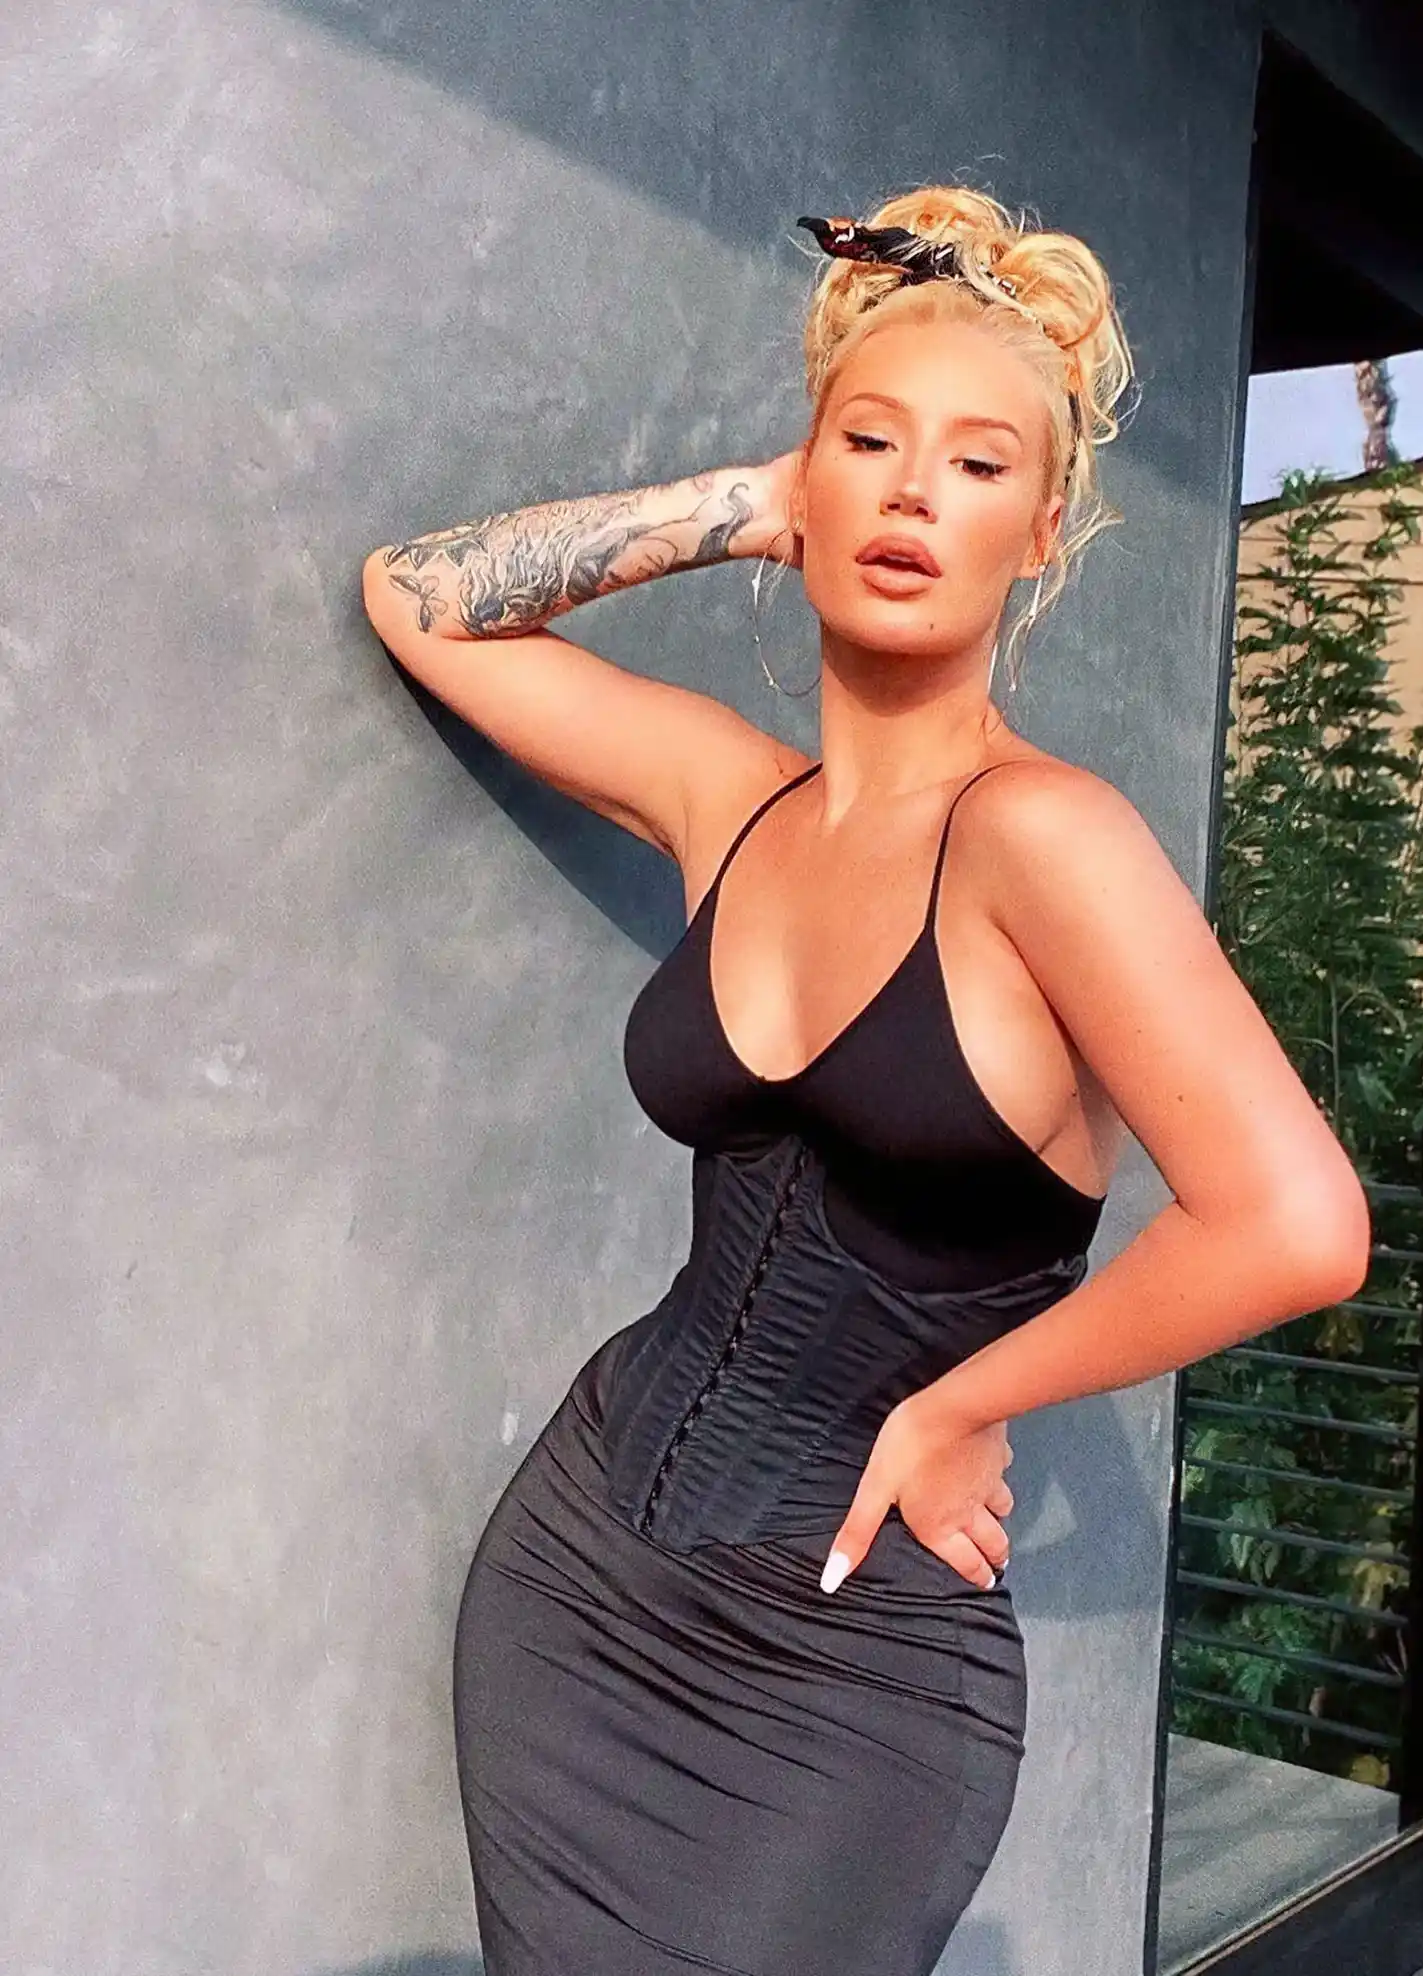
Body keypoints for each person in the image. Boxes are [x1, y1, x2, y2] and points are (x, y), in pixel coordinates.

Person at [360, 185, 1370, 1976]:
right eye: (870, 447)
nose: (912, 494)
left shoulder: (1046, 838)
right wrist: (751, 505)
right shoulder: (727, 797)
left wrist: (963, 1401)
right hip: (577, 1577)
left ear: (1039, 536)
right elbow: (420, 600)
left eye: (977, 467)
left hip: (848, 1657)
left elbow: (1294, 1226)